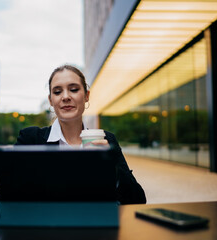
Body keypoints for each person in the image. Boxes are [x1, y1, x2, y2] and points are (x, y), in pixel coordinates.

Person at [15, 64, 146, 204]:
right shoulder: (31, 139)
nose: (65, 97)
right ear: (51, 101)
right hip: (50, 222)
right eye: (57, 92)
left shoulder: (106, 140)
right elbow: (7, 199)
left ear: (86, 96)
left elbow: (136, 200)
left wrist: (111, 165)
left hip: (94, 222)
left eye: (73, 89)